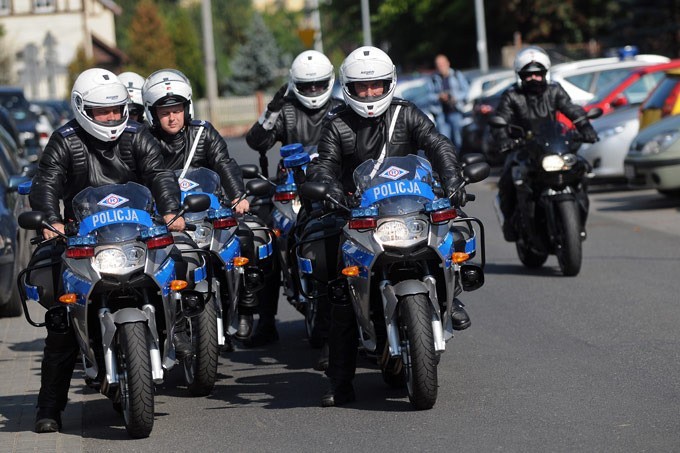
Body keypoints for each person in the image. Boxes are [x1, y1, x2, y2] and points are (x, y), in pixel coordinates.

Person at [305, 46, 469, 407]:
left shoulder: (407, 114)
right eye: (361, 88)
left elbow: (438, 144)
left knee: (457, 235)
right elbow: (324, 166)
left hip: (410, 208)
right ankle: (341, 380)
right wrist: (331, 191)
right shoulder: (337, 123)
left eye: (376, 86)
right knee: (340, 288)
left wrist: (453, 178)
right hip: (359, 215)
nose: (369, 94)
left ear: (388, 84)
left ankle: (451, 295)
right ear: (349, 88)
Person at [30, 68, 184, 433]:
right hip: (84, 240)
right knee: (61, 321)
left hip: (134, 235)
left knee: (183, 276)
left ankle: (183, 340)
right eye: (103, 111)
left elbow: (160, 174)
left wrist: (169, 209)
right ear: (83, 109)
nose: (112, 118)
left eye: (116, 109)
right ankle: (48, 408)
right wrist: (50, 221)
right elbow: (47, 181)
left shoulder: (138, 136)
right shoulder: (64, 140)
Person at [141, 69, 252, 343]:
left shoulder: (203, 132)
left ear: (186, 108)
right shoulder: (142, 139)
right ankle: (171, 323)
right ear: (151, 113)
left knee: (249, 238)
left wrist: (237, 196)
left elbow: (224, 163)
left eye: (177, 109)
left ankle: (247, 304)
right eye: (164, 111)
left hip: (206, 213)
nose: (172, 117)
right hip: (165, 219)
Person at [245, 50, 343, 357]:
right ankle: (266, 320)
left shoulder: (342, 109)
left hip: (330, 187)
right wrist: (272, 107)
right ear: (293, 84)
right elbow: (255, 142)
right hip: (287, 191)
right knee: (264, 242)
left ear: (329, 82)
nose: (313, 92)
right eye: (306, 86)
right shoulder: (285, 111)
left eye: (318, 85)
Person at [491, 46, 599, 242]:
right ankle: (510, 223)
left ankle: (579, 224)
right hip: (524, 147)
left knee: (582, 170)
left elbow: (572, 109)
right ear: (520, 76)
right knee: (507, 181)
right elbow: (500, 120)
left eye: (538, 74)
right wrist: (503, 139)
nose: (534, 79)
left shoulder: (554, 91)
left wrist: (585, 128)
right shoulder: (511, 95)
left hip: (552, 146)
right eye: (528, 75)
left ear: (545, 74)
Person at [429, 53, 470, 149]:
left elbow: (466, 91)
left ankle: (457, 160)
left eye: (442, 64)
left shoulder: (457, 75)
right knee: (444, 141)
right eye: (438, 65)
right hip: (441, 114)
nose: (440, 67)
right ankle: (449, 161)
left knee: (458, 140)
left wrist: (455, 97)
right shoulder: (434, 79)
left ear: (448, 63)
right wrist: (439, 97)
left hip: (455, 111)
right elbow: (428, 96)